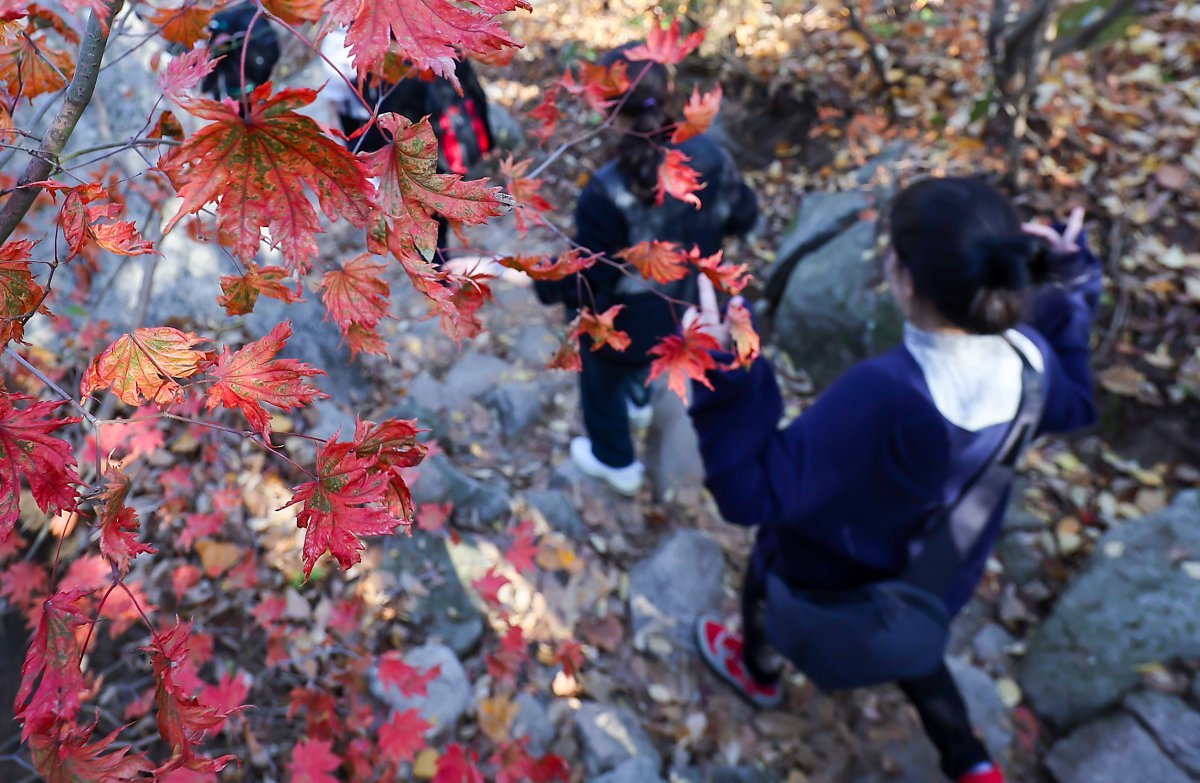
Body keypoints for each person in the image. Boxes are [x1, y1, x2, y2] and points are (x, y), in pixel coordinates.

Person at [686, 178, 1100, 783]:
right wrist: (1070, 283)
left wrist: (727, 371)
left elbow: (753, 493)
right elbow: (1080, 401)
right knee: (918, 651)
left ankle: (759, 670)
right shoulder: (1032, 365)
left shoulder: (884, 395)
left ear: (905, 281)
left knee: (762, 572)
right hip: (933, 577)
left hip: (827, 571)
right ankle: (972, 762)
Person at [536, 46, 759, 496]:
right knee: (645, 358)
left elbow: (588, 278)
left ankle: (615, 459)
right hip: (688, 304)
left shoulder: (606, 193)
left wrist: (547, 290)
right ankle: (639, 399)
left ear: (609, 111)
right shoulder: (711, 154)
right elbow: (745, 217)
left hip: (625, 320)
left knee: (601, 380)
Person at [320, 30, 493, 257]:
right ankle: (437, 261)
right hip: (417, 136)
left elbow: (337, 107)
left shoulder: (342, 43)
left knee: (422, 204)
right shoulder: (414, 28)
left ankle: (436, 261)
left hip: (400, 137)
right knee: (429, 199)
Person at [201, 3, 280, 102]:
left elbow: (271, 50)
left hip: (255, 77)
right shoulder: (218, 18)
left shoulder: (249, 11)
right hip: (235, 87)